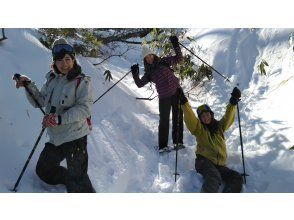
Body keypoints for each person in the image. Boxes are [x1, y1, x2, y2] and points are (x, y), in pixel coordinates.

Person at [13, 38, 95, 193]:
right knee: (43, 171)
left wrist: (59, 119)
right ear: (54, 63)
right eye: (59, 61)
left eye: (67, 59)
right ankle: (68, 178)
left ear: (73, 59)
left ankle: (76, 183)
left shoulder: (82, 82)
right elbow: (40, 101)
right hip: (56, 138)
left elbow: (84, 109)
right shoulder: (52, 80)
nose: (64, 64)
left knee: (79, 183)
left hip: (75, 138)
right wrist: (28, 85)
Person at [178, 87, 243, 193]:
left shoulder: (219, 127)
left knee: (236, 177)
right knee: (214, 177)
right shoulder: (199, 129)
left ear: (211, 114)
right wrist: (184, 102)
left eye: (207, 114)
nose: (205, 117)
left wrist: (233, 102)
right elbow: (190, 118)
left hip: (219, 165)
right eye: (202, 116)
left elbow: (227, 117)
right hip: (203, 161)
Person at [130, 36, 184, 153]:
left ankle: (178, 142)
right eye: (146, 58)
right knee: (164, 121)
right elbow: (139, 84)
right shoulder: (149, 73)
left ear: (153, 55)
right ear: (145, 60)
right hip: (164, 97)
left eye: (150, 55)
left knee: (178, 117)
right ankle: (163, 146)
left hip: (176, 91)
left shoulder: (164, 61)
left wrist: (176, 45)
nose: (149, 58)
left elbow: (179, 59)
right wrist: (135, 73)